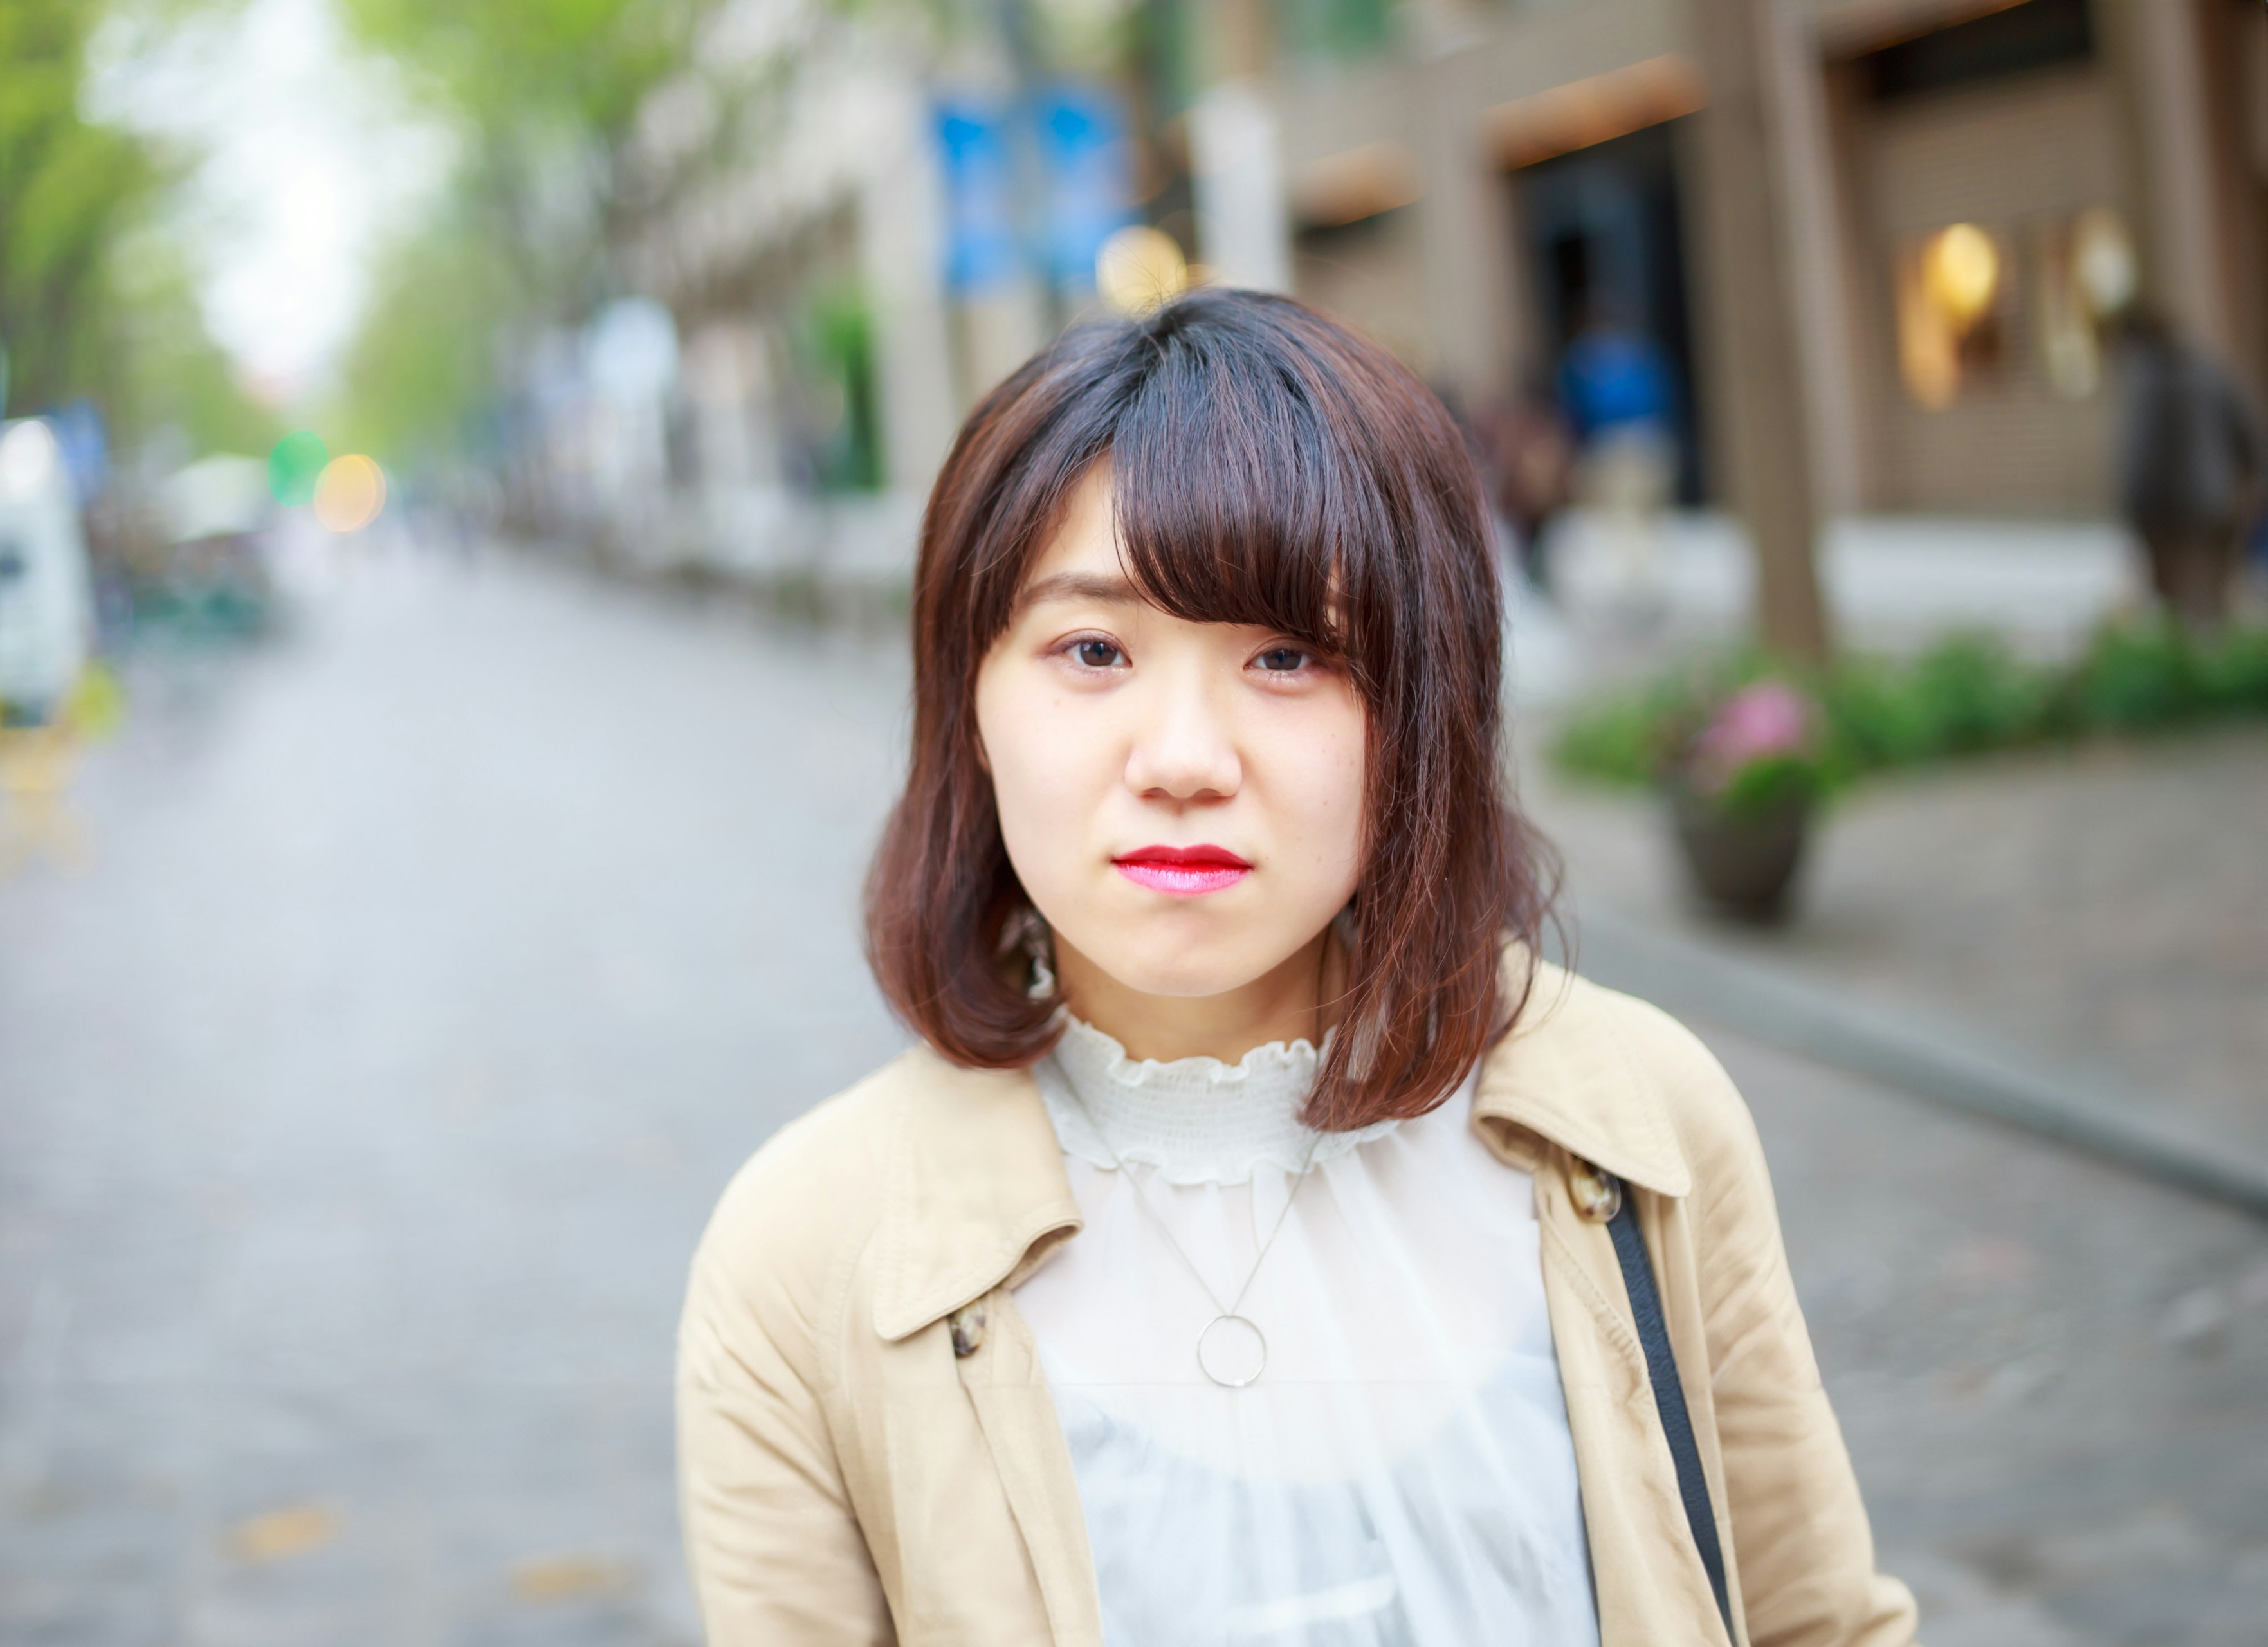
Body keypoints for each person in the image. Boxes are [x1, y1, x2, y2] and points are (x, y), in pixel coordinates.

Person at [676, 289, 1916, 1646]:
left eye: (1288, 654)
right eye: (1094, 650)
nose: (1187, 758)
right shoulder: (807, 1251)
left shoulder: (1632, 1116)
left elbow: (1818, 1621)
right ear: (968, 701)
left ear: (1422, 701)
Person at [2113, 305, 2263, 630]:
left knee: (2184, 612)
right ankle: (2224, 668)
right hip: (2218, 503)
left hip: (2171, 515)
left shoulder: (2146, 382)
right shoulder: (2209, 370)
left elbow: (2140, 457)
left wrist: (2136, 517)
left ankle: (2206, 673)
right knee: (2214, 603)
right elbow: (2249, 435)